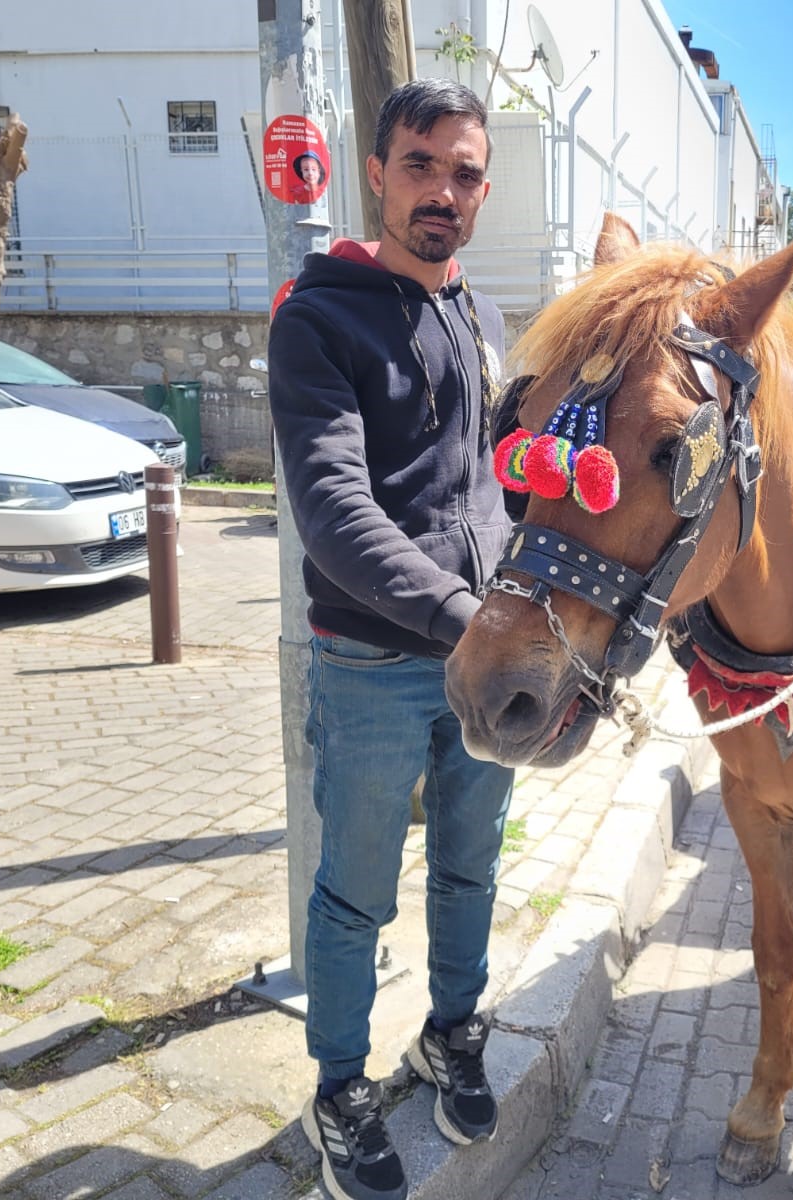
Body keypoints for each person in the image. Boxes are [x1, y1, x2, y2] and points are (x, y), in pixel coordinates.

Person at [268, 78, 512, 1200]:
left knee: (469, 868)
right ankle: (338, 1088)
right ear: (377, 171)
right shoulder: (319, 318)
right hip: (373, 662)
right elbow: (334, 512)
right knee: (354, 893)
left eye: (464, 173)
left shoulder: (479, 313)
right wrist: (472, 620)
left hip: (484, 662)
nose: (443, 192)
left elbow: (501, 487)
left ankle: (450, 1032)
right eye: (421, 165)